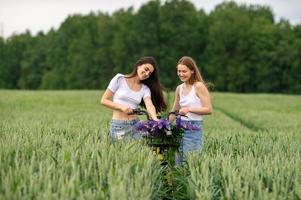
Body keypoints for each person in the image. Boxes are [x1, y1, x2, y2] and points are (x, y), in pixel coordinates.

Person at [101, 56, 167, 140]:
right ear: (139, 65)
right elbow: (104, 100)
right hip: (118, 126)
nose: (147, 74)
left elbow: (149, 105)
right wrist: (121, 107)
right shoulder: (119, 79)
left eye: (149, 73)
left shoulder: (145, 88)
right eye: (146, 69)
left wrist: (155, 119)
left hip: (136, 126)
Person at [169, 56, 212, 163]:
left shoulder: (198, 86)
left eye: (184, 71)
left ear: (192, 71)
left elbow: (208, 109)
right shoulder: (179, 88)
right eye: (179, 71)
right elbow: (174, 111)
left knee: (189, 162)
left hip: (193, 128)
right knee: (178, 162)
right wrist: (163, 124)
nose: (181, 74)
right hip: (180, 127)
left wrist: (189, 109)